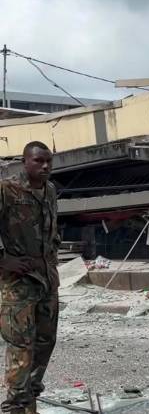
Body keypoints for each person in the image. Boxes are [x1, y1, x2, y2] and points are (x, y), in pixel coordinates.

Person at [0, 141, 60, 414]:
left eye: (48, 161)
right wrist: (4, 259)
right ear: (25, 161)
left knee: (46, 341)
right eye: (38, 161)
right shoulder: (7, 190)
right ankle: (15, 406)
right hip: (18, 283)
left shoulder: (49, 190)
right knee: (21, 348)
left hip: (46, 278)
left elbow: (52, 231)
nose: (45, 166)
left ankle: (30, 401)